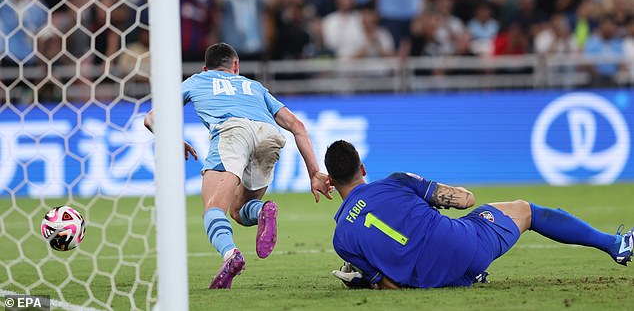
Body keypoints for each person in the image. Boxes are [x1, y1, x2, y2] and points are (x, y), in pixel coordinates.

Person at [143, 43, 332, 289]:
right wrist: (314, 173)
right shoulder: (254, 86)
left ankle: (231, 255)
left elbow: (151, 119)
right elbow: (297, 126)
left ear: (205, 68)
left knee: (213, 209)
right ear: (236, 66)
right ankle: (262, 210)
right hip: (269, 135)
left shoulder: (196, 80)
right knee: (239, 210)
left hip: (232, 133)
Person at [325, 140, 633, 290]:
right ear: (362, 168)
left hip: (430, 280)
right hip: (464, 246)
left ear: (331, 180)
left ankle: (467, 278)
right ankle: (614, 244)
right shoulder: (396, 181)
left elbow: (388, 286)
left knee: (430, 260)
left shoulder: (341, 239)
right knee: (526, 211)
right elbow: (466, 201)